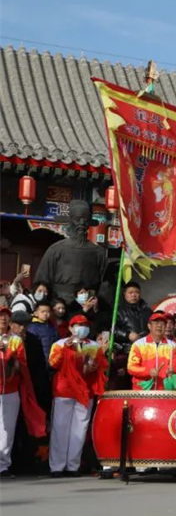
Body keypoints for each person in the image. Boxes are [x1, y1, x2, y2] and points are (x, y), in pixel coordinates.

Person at [48, 314, 106, 476]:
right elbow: (53, 363)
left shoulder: (93, 345)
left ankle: (73, 466)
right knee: (60, 428)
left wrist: (94, 365)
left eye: (85, 325)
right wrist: (68, 349)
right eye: (78, 325)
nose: (82, 328)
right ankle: (57, 466)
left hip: (85, 391)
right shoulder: (59, 344)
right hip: (64, 390)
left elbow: (100, 366)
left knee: (80, 429)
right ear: (70, 328)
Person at [0, 308, 47, 478]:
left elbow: (22, 364)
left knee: (8, 430)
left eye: (6, 316)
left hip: (12, 390)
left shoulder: (16, 341)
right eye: (1, 317)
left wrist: (12, 360)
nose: (3, 320)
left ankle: (3, 466)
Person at [33, 199, 108, 304]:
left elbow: (104, 283)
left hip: (88, 303)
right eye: (78, 219)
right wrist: (42, 287)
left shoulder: (98, 252)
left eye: (85, 219)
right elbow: (43, 279)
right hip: (60, 303)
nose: (82, 223)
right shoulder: (56, 249)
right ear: (70, 221)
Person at [127, 311, 176, 391]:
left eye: (163, 323)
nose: (159, 325)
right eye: (156, 322)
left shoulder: (173, 346)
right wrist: (148, 371)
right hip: (142, 391)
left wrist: (173, 371)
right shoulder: (138, 345)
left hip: (164, 392)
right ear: (149, 326)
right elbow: (131, 368)